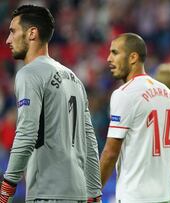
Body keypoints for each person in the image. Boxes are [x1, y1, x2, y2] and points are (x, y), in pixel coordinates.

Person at [1, 4, 102, 203]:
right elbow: (90, 141)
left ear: (32, 33)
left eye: (13, 32)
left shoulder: (29, 74)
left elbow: (27, 132)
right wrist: (94, 192)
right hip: (79, 191)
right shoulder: (74, 78)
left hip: (49, 191)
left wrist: (7, 186)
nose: (8, 39)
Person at [100, 33, 170, 203]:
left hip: (134, 196)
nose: (109, 58)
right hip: (164, 196)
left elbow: (111, 152)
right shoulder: (169, 95)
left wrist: (92, 191)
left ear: (133, 57)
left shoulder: (124, 94)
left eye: (115, 53)